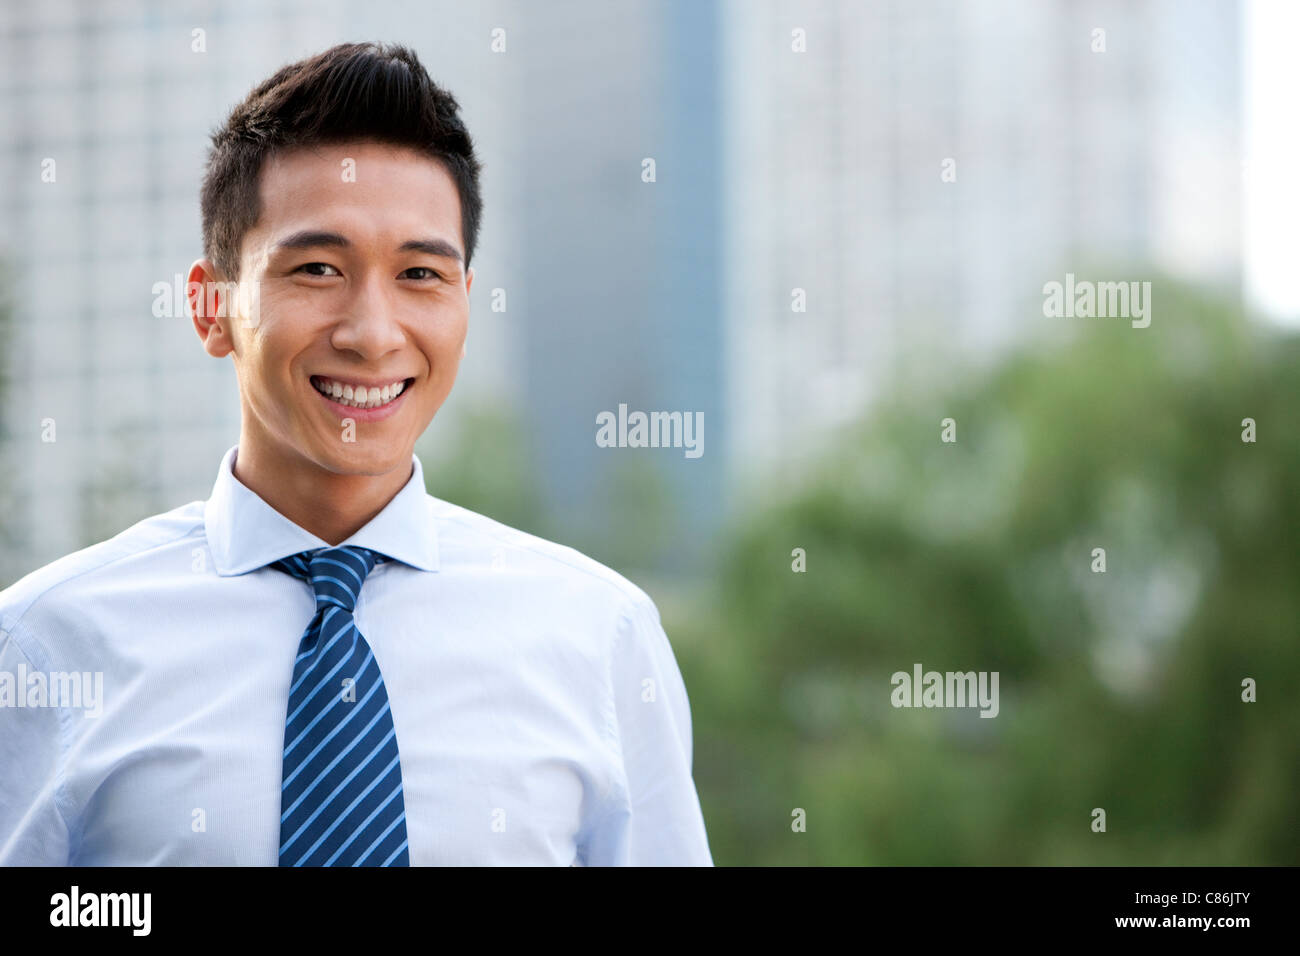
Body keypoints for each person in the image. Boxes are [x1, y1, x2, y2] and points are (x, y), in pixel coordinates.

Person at [0, 42, 712, 866]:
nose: (373, 334)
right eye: (316, 268)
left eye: (419, 274)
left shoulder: (600, 637)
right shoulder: (46, 644)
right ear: (211, 307)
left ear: (465, 305)